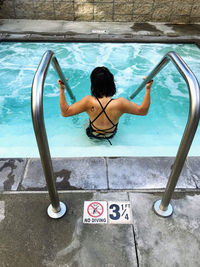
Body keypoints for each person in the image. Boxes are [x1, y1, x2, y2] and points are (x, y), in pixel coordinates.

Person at [58, 66, 153, 145]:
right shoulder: (120, 103)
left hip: (92, 134)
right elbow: (143, 111)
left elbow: (65, 112)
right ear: (112, 84)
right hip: (111, 134)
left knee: (86, 122)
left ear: (93, 85)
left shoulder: (88, 102)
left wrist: (62, 89)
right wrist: (148, 89)